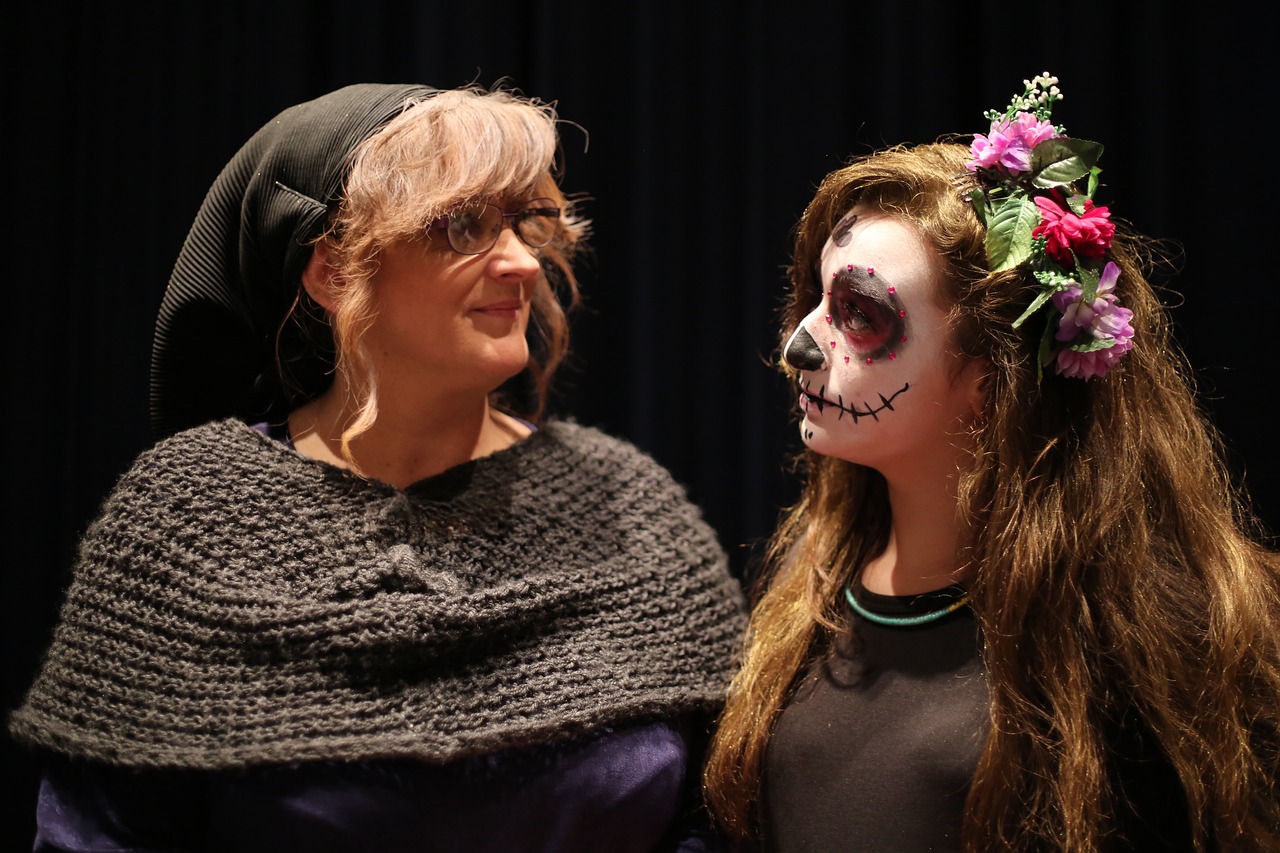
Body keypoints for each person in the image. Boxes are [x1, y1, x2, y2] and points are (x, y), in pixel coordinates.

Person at [9, 82, 748, 852]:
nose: (523, 263)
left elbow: (719, 815)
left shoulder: (628, 505)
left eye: (523, 222)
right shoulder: (183, 520)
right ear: (330, 271)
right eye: (463, 225)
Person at [702, 73, 1280, 851]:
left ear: (988, 380)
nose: (797, 345)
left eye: (860, 315)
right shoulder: (810, 574)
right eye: (813, 297)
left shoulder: (1143, 637)